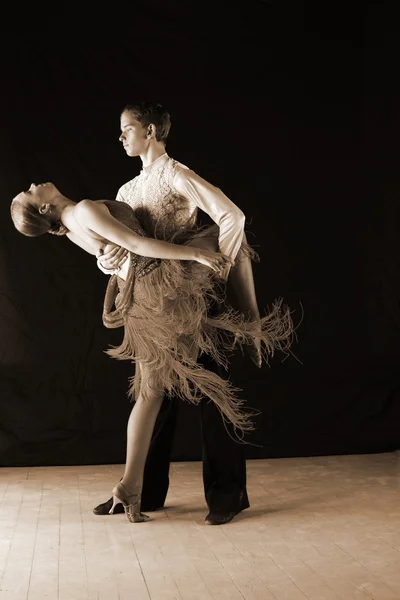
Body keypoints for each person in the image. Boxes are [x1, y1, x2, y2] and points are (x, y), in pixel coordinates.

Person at [10, 181, 293, 524]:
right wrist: (194, 253)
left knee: (151, 394)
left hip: (139, 299)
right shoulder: (82, 209)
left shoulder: (68, 227)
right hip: (163, 287)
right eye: (29, 192)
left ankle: (129, 486)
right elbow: (135, 244)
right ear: (42, 208)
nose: (32, 185)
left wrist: (108, 258)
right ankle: (252, 324)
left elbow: (113, 254)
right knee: (229, 231)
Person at [92, 101, 293, 525]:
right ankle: (145, 491)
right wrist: (108, 260)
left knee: (212, 393)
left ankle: (227, 496)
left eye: (127, 128)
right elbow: (121, 250)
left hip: (194, 300)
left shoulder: (176, 174)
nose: (121, 136)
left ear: (149, 130)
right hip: (155, 305)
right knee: (156, 397)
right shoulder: (127, 191)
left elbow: (231, 216)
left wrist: (213, 266)